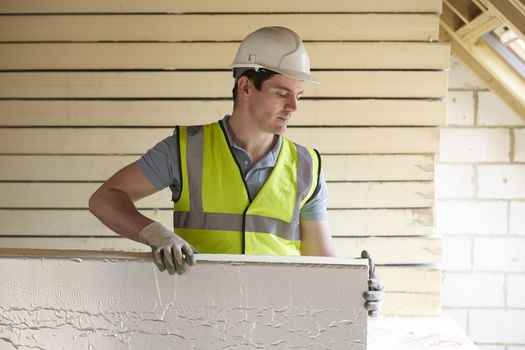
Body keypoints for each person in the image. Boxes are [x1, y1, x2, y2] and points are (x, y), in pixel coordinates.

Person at [89, 26, 383, 316]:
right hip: (200, 319)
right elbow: (105, 199)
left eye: (299, 95)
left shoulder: (308, 166)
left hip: (279, 326)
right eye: (282, 93)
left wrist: (356, 289)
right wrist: (155, 234)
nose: (293, 106)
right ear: (245, 87)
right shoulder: (184, 150)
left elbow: (320, 261)